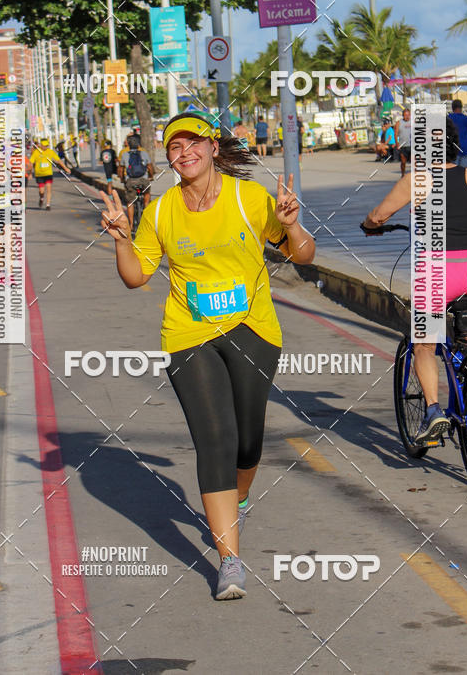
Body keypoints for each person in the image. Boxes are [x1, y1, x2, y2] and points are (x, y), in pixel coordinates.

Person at [100, 112, 315, 601]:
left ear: (213, 148)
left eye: (193, 143)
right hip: (188, 334)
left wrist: (292, 226)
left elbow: (304, 256)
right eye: (174, 147)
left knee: (248, 442)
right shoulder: (160, 212)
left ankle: (235, 494)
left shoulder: (250, 197)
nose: (184, 153)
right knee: (214, 438)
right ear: (168, 157)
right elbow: (136, 276)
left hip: (252, 328)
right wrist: (119, 239)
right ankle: (230, 560)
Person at [361, 117, 467, 443]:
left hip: (438, 275)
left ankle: (433, 411)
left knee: (424, 344)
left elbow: (379, 216)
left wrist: (369, 225)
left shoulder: (415, 181)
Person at [118, 134, 153, 233]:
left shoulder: (125, 154)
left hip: (131, 181)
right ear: (138, 145)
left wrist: (122, 179)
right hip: (143, 180)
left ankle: (131, 224)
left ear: (128, 145)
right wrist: (151, 176)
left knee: (130, 202)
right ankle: (147, 218)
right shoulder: (144, 154)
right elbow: (150, 167)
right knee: (147, 196)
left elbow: (120, 169)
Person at [30, 138, 71, 210]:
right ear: (41, 145)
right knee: (41, 191)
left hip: (48, 173)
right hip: (39, 174)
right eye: (44, 146)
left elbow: (58, 160)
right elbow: (31, 163)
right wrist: (29, 173)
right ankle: (41, 198)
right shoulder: (36, 152)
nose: (45, 147)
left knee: (48, 188)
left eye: (47, 146)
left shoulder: (50, 152)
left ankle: (48, 204)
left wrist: (66, 168)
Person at [448, 99, 467, 167]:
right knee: (466, 174)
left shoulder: (448, 118)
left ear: (452, 108)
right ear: (461, 107)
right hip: (466, 149)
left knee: (453, 175)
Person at [394, 108, 412, 176]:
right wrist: (397, 144)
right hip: (403, 145)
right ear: (403, 115)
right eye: (405, 115)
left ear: (410, 115)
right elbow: (395, 134)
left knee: (414, 161)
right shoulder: (399, 123)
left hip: (411, 144)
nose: (407, 117)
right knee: (403, 162)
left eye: (408, 115)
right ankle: (403, 174)